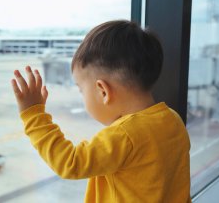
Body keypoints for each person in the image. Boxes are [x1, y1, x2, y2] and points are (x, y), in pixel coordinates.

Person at [11, 20, 191, 203]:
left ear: (103, 91)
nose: (82, 96)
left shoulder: (124, 135)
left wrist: (33, 114)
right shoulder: (173, 119)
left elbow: (70, 163)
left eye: (81, 89)